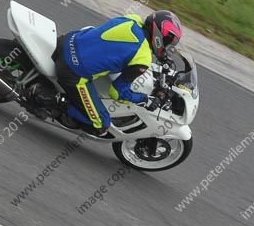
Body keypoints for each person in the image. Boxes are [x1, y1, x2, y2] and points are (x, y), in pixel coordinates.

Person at [49, 11, 182, 138]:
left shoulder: (132, 19)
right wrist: (145, 100)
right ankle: (51, 100)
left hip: (67, 40)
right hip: (72, 71)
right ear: (159, 36)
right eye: (168, 43)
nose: (167, 48)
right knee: (102, 125)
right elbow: (117, 93)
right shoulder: (142, 58)